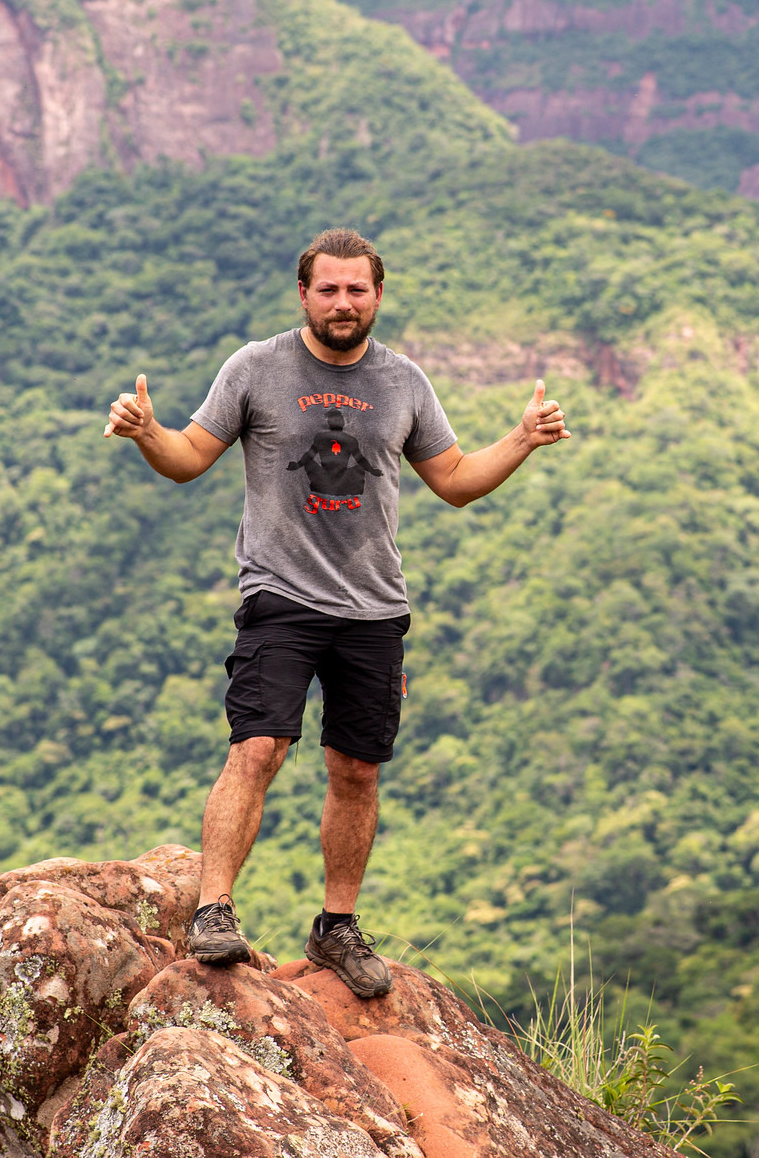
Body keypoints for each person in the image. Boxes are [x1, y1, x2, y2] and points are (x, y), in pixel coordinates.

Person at [101, 228, 570, 996]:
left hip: (375, 607)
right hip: (279, 595)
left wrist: (520, 439)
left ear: (377, 295)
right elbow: (188, 458)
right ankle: (213, 911)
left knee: (356, 768)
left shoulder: (405, 383)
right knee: (258, 748)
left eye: (358, 290)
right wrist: (147, 432)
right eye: (329, 289)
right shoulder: (256, 368)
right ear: (304, 294)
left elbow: (452, 479)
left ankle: (336, 927)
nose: (344, 303)